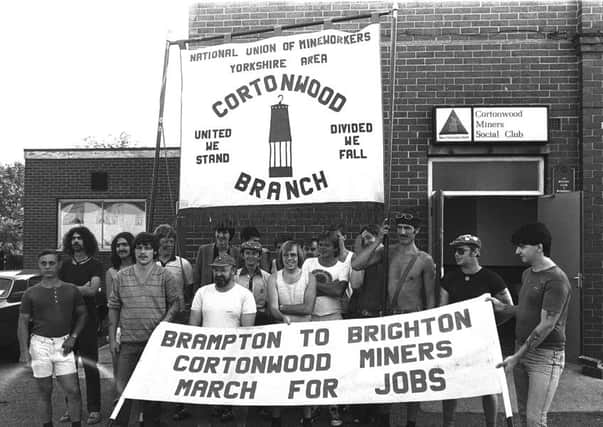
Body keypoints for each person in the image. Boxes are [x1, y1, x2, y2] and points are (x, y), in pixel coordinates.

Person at [352, 213, 436, 427]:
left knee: (413, 377)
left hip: (412, 320)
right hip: (389, 319)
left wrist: (430, 327)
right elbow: (358, 264)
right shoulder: (386, 252)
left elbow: (430, 297)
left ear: (416, 231)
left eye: (408, 228)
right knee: (385, 374)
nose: (403, 232)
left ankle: (411, 422)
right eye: (400, 228)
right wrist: (379, 238)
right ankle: (384, 419)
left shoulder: (425, 260)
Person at [490, 223, 571, 427]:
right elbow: (526, 310)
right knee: (525, 415)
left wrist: (516, 357)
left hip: (545, 357)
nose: (517, 251)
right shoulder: (528, 274)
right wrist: (502, 307)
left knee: (536, 419)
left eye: (522, 246)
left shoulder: (556, 280)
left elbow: (547, 324)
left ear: (539, 247)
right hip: (522, 350)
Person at [108, 232, 181, 427]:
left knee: (152, 393)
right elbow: (114, 306)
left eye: (147, 248)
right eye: (139, 247)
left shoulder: (165, 275)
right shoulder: (121, 276)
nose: (142, 252)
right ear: (134, 250)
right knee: (123, 392)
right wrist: (112, 337)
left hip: (155, 344)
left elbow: (176, 303)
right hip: (128, 343)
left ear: (155, 251)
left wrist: (164, 323)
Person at [440, 234, 513, 427]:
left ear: (476, 252)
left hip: (483, 341)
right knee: (452, 383)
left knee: (488, 384)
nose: (456, 255)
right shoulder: (449, 278)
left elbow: (509, 308)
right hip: (454, 340)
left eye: (461, 251)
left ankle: (491, 424)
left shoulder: (492, 278)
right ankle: (448, 423)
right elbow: (441, 310)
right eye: (455, 251)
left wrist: (491, 325)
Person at [18, 250, 88, 427]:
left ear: (59, 265)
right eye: (44, 263)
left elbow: (82, 314)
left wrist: (73, 337)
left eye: (51, 263)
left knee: (73, 390)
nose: (48, 267)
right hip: (39, 345)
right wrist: (24, 351)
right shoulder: (31, 293)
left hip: (64, 343)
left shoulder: (71, 289)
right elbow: (23, 322)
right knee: (45, 392)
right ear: (39, 265)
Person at [189, 254, 256, 427]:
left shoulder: (245, 295)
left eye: (223, 270)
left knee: (239, 400)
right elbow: (193, 326)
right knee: (203, 401)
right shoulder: (202, 292)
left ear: (233, 271)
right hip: (206, 357)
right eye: (216, 270)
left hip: (234, 356)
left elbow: (247, 331)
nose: (219, 273)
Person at [302, 231, 349, 427]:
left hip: (333, 318)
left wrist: (314, 285)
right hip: (311, 318)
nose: (322, 248)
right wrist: (326, 287)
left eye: (326, 245)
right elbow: (303, 287)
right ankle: (312, 406)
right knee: (312, 363)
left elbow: (339, 291)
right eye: (320, 245)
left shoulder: (342, 266)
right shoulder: (308, 264)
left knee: (333, 364)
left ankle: (333, 405)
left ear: (335, 248)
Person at [268, 240, 316, 427]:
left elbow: (307, 308)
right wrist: (281, 314)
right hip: (281, 334)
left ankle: (307, 417)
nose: (290, 258)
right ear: (281, 257)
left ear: (299, 257)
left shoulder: (309, 277)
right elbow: (272, 308)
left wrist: (284, 307)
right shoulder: (274, 277)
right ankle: (276, 417)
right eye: (286, 255)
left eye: (293, 255)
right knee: (279, 376)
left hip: (304, 334)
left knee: (304, 376)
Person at [58, 226, 103, 425]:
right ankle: (71, 408)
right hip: (66, 323)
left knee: (90, 366)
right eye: (73, 238)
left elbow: (93, 290)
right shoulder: (64, 266)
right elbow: (57, 290)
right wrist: (80, 288)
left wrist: (71, 289)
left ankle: (94, 409)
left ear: (87, 241)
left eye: (80, 238)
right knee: (68, 368)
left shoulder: (95, 265)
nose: (76, 241)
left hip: (89, 322)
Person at [347, 225, 390, 426]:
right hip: (362, 316)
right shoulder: (361, 259)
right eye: (363, 239)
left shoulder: (386, 256)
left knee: (380, 369)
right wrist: (361, 248)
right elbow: (355, 283)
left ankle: (378, 411)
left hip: (381, 317)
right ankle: (361, 410)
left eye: (369, 238)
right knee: (360, 367)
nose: (367, 242)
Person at [105, 232, 135, 388]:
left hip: (139, 325)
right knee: (119, 369)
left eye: (124, 244)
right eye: (118, 245)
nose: (121, 248)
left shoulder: (142, 268)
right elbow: (111, 304)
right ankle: (120, 404)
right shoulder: (111, 272)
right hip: (119, 327)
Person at [235, 240, 271, 325]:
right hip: (240, 316)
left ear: (259, 256)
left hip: (261, 318)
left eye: (254, 253)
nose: (250, 256)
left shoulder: (267, 277)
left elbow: (269, 302)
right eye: (247, 253)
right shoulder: (235, 276)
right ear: (242, 255)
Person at [194, 222, 239, 290]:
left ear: (230, 235)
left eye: (224, 232)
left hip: (229, 294)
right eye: (218, 232)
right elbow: (197, 276)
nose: (221, 235)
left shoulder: (237, 252)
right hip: (208, 294)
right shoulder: (204, 250)